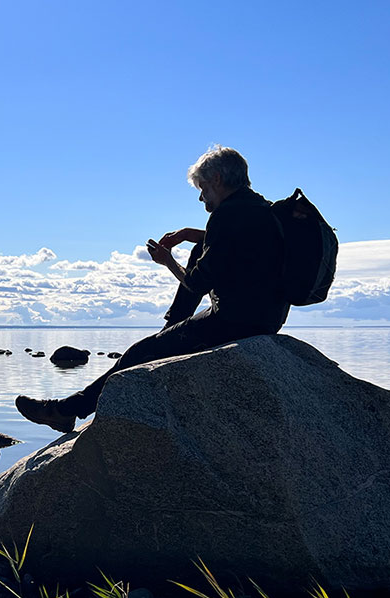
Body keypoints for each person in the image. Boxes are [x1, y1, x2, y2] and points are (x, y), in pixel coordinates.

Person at [16, 145, 289, 433]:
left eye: (203, 187)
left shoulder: (227, 215)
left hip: (235, 322)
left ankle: (65, 411)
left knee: (138, 354)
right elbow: (239, 245)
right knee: (199, 249)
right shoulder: (263, 209)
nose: (201, 196)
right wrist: (189, 234)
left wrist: (167, 260)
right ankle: (172, 330)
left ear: (218, 179)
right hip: (267, 317)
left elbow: (197, 282)